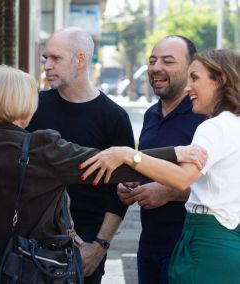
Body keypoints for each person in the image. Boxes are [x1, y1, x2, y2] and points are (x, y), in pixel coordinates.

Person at [0, 64, 182, 284]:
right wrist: (177, 154)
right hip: (35, 271)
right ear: (27, 105)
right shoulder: (42, 148)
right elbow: (111, 165)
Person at [80, 48, 240, 284]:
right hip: (226, 237)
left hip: (206, 241)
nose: (188, 87)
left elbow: (181, 178)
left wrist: (128, 155)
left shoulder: (213, 127)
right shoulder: (234, 124)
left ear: (221, 80)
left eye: (195, 78)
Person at [26, 26, 135, 284]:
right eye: (45, 58)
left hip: (84, 244)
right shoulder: (34, 106)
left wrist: (99, 247)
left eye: (55, 58)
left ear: (81, 60)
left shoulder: (114, 117)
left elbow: (119, 195)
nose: (47, 65)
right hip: (31, 241)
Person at [116, 35, 206, 284]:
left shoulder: (205, 116)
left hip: (189, 249)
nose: (156, 68)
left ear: (191, 69)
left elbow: (221, 185)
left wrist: (170, 192)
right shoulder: (150, 114)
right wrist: (131, 184)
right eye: (152, 60)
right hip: (149, 244)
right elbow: (149, 166)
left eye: (168, 61)